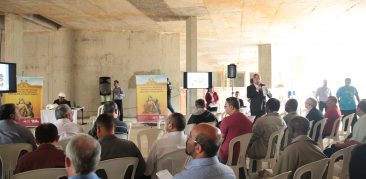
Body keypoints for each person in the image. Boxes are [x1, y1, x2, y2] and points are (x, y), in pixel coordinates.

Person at [260, 116, 326, 179]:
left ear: (291, 129)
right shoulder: (317, 147)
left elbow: (280, 175)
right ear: (308, 129)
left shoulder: (291, 149)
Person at [95, 114, 145, 179]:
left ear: (98, 129)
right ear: (114, 128)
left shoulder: (90, 150)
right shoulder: (131, 146)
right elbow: (141, 170)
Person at [145, 113, 187, 178]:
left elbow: (148, 170)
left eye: (166, 123)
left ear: (170, 125)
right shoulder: (190, 142)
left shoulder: (159, 143)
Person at [219, 97, 252, 164]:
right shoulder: (249, 121)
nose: (224, 108)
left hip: (227, 156)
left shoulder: (226, 120)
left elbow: (220, 139)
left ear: (231, 107)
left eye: (225, 106)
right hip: (242, 156)